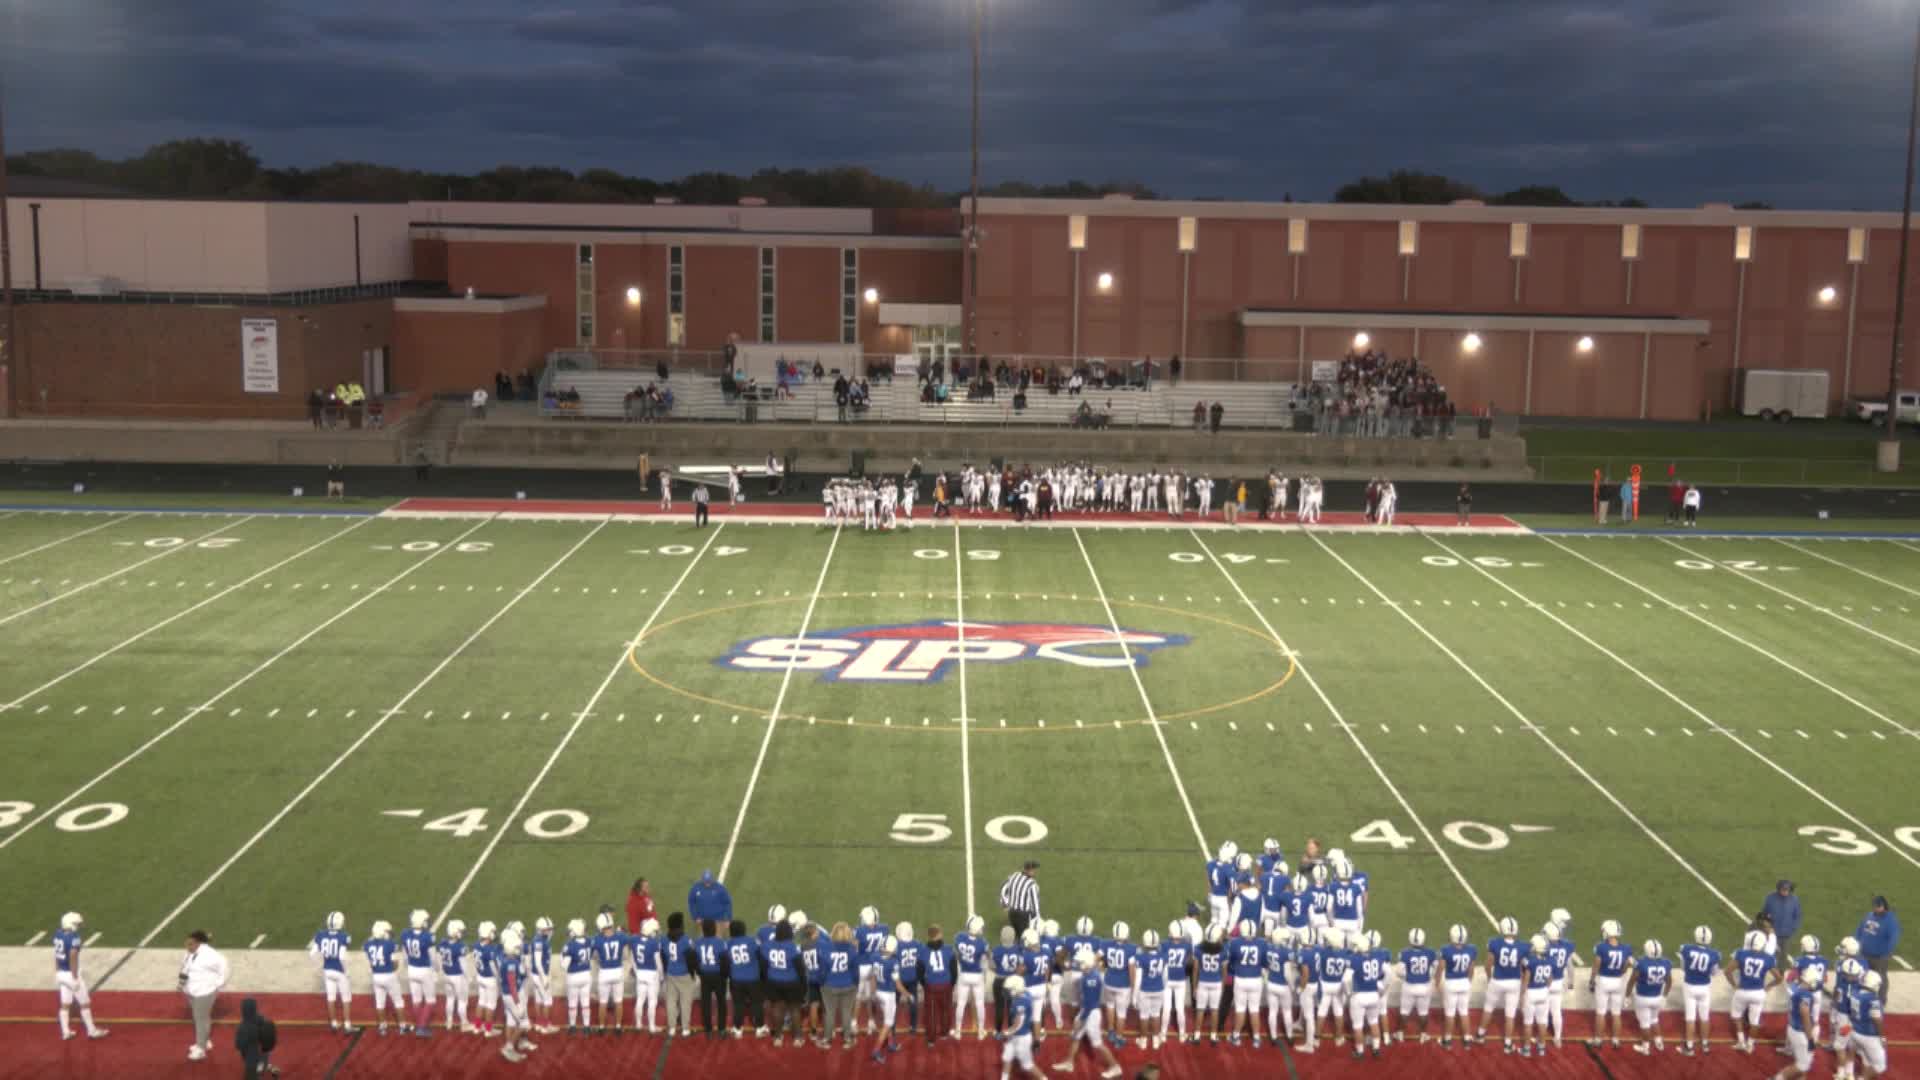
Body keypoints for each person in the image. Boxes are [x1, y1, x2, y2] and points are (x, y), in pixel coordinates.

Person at [52, 911, 108, 1041]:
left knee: (65, 1003)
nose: (78, 926)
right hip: (70, 974)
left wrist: (57, 972)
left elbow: (56, 954)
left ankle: (65, 1031)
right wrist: (75, 976)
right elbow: (72, 956)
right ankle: (92, 1031)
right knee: (85, 1003)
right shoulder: (74, 937)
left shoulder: (58, 934)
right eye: (77, 923)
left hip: (61, 973)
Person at [180, 929, 230, 1062]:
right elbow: (186, 967)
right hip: (191, 991)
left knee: (200, 1019)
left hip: (204, 992)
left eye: (189, 944)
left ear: (198, 943)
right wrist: (182, 983)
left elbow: (225, 969)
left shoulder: (212, 956)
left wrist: (217, 986)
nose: (187, 946)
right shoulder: (190, 953)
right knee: (201, 1018)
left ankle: (201, 1049)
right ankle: (205, 1041)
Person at [1855, 896, 1900, 998]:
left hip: (1879, 957)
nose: (1875, 908)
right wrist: (1856, 942)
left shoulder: (1890, 920)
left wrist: (1886, 952)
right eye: (1875, 906)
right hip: (1864, 953)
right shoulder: (1869, 915)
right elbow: (1860, 929)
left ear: (1884, 907)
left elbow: (1893, 938)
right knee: (1863, 976)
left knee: (1880, 978)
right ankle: (1863, 998)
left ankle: (1881, 999)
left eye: (1878, 906)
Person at [234, 998, 278, 1078]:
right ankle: (262, 1071)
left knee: (252, 1076)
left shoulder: (243, 1027)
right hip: (263, 1055)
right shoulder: (262, 1018)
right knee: (260, 1069)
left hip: (252, 1059)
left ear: (243, 1011)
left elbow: (238, 1045)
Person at [1764, 882, 1801, 967]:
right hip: (1772, 932)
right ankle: (1770, 970)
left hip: (1786, 933)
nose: (1785, 892)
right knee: (1771, 953)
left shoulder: (1794, 900)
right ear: (1779, 889)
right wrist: (1767, 928)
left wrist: (1792, 929)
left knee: (1783, 955)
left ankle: (1781, 973)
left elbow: (1797, 916)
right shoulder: (1771, 898)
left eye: (1787, 890)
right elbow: (1765, 913)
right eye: (1783, 890)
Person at [1000, 861, 1042, 936]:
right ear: (1029, 870)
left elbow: (1003, 889)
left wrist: (1005, 904)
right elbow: (1035, 906)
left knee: (1016, 935)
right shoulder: (1032, 884)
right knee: (1024, 937)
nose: (1035, 871)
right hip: (1023, 916)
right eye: (1033, 870)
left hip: (1012, 913)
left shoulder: (1014, 876)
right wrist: (1037, 920)